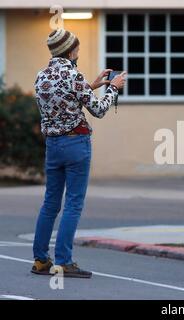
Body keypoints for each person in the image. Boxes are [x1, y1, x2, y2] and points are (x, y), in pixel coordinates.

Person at [31, 29, 126, 278]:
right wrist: (113, 88)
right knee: (73, 203)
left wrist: (92, 85)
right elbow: (99, 110)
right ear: (70, 50)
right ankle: (64, 261)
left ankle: (41, 260)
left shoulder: (41, 77)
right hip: (76, 144)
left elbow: (63, 100)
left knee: (51, 203)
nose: (78, 53)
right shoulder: (73, 75)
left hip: (53, 146)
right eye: (77, 49)